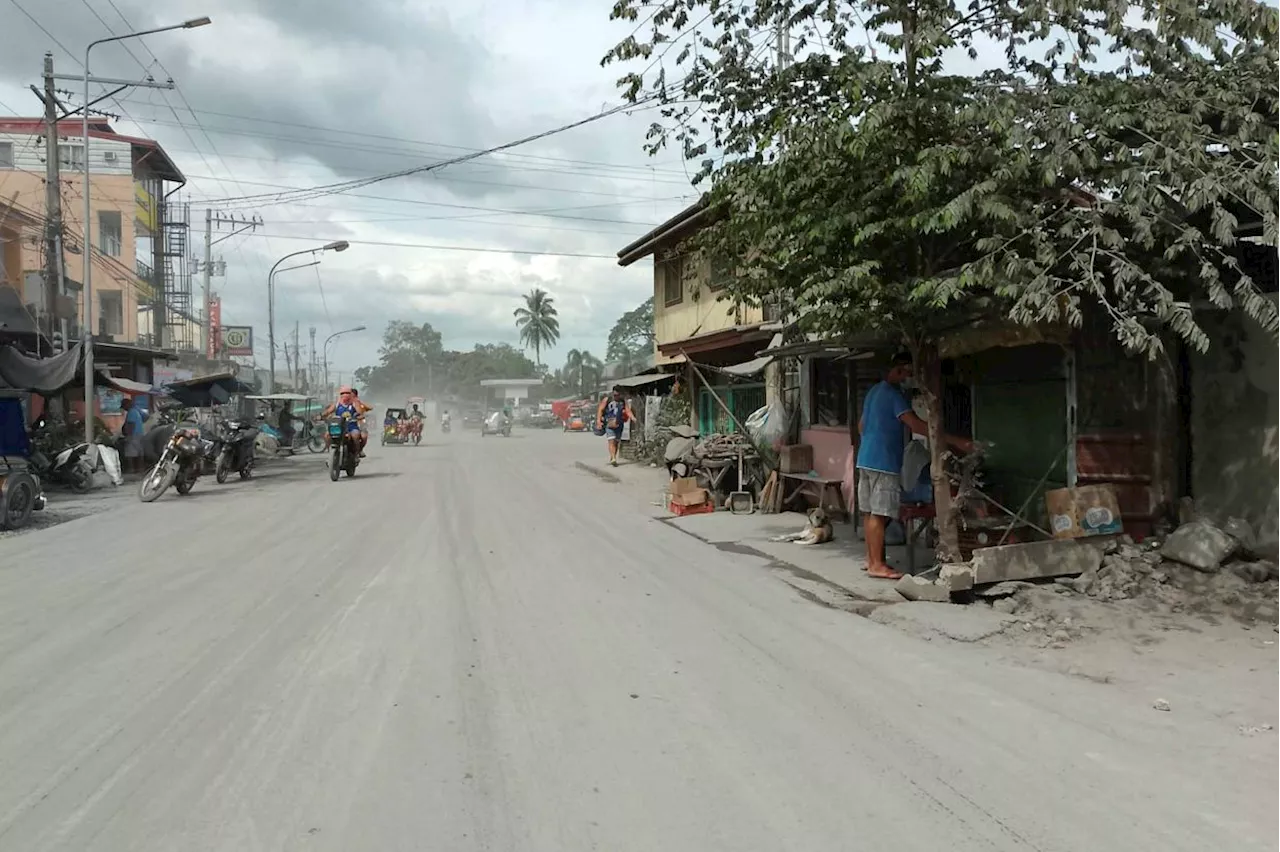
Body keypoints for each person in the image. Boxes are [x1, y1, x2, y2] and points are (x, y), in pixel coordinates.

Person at [857, 352, 973, 580]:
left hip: (865, 459)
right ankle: (877, 565)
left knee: (870, 512)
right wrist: (955, 440)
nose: (909, 378)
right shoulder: (894, 395)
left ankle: (871, 559)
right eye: (908, 373)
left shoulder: (873, 392)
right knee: (880, 514)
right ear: (898, 371)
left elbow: (861, 426)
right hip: (883, 462)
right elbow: (917, 426)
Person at [319, 387, 365, 455]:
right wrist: (320, 416)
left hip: (352, 427)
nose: (345, 395)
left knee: (356, 436)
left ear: (350, 394)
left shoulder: (354, 404)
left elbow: (361, 414)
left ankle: (356, 454)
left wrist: (357, 417)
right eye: (343, 393)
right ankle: (330, 453)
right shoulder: (337, 404)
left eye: (347, 393)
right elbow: (328, 412)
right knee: (327, 436)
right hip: (339, 427)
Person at [596, 386, 631, 467]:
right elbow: (600, 410)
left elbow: (628, 410)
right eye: (615, 395)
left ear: (620, 394)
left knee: (616, 442)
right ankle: (614, 458)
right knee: (611, 441)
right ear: (613, 393)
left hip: (619, 424)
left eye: (618, 395)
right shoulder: (607, 400)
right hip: (609, 423)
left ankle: (613, 456)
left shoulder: (623, 401)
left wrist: (632, 418)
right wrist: (598, 421)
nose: (616, 397)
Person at [120, 396, 145, 474]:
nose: (124, 408)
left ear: (127, 405)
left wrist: (127, 437)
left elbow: (130, 426)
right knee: (139, 453)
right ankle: (140, 469)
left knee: (129, 454)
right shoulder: (136, 411)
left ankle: (131, 469)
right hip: (139, 434)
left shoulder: (131, 413)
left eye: (124, 406)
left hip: (133, 435)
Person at [350, 387, 373, 457]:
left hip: (360, 423)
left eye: (352, 395)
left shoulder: (359, 403)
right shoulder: (346, 403)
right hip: (349, 423)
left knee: (364, 436)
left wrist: (361, 405)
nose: (351, 397)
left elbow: (370, 407)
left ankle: (360, 450)